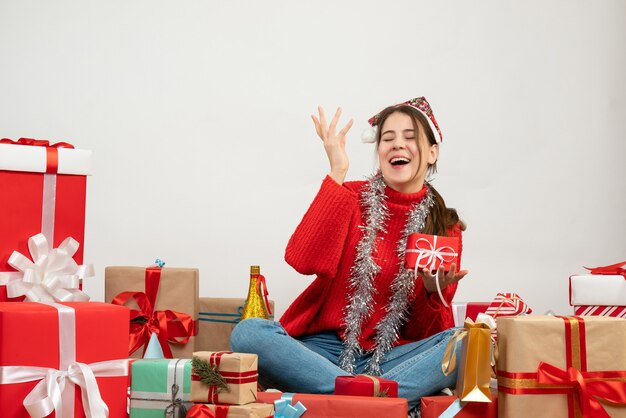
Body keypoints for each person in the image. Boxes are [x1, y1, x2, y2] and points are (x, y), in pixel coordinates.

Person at [231, 97, 468, 410]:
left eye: (410, 138)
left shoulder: (444, 226)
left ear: (432, 152)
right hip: (323, 351)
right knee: (249, 333)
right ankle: (377, 403)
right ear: (379, 151)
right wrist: (337, 172)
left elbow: (428, 334)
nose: (398, 145)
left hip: (392, 357)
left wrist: (430, 292)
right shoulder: (351, 195)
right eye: (388, 138)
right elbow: (301, 259)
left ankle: (351, 399)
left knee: (465, 342)